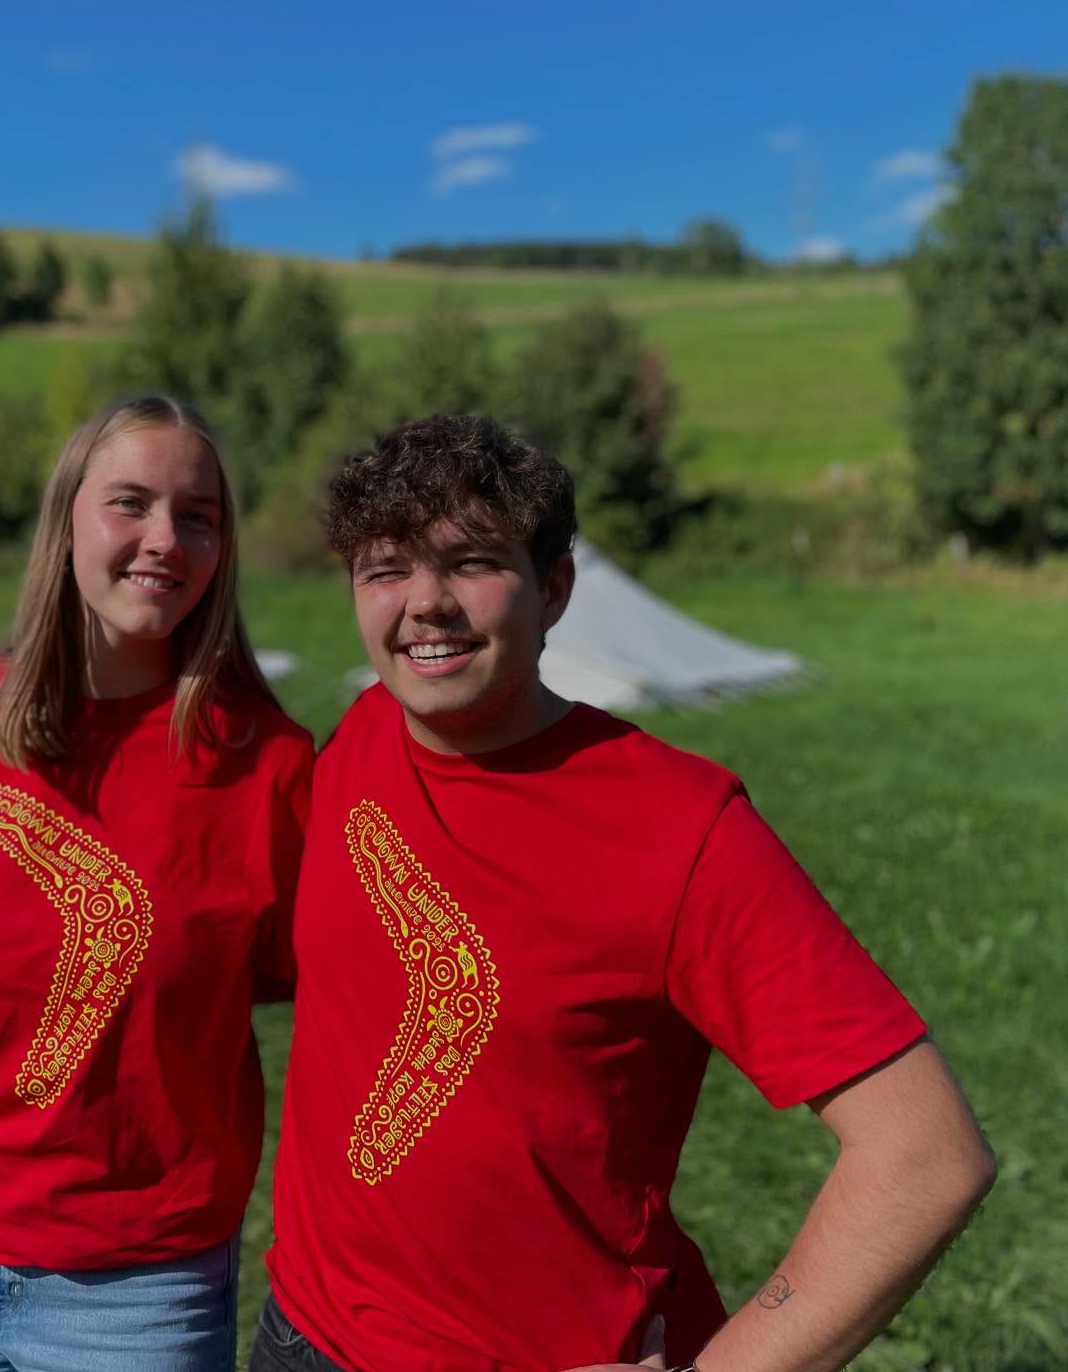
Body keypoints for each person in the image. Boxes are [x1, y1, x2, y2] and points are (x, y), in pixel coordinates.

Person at [251, 415, 994, 1372]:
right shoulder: (358, 737)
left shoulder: (681, 829)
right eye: (386, 569)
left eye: (472, 562)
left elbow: (927, 1155)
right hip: (303, 1335)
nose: (425, 603)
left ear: (555, 589)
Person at [0, 395, 314, 1372]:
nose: (165, 540)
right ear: (66, 518)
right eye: (131, 503)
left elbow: (329, 1008)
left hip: (138, 1295)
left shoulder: (270, 769)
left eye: (198, 516)